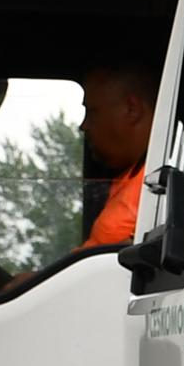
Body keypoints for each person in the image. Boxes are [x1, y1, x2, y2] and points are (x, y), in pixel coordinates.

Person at [75, 64, 159, 253]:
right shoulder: (133, 176)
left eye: (92, 112)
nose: (84, 126)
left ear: (132, 109)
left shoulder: (155, 189)